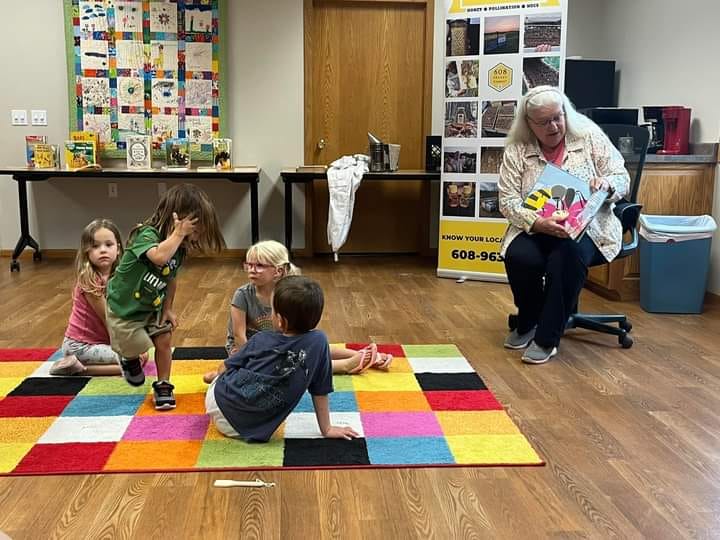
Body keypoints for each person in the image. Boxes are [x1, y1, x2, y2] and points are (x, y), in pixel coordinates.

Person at [498, 85, 630, 364]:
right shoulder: (517, 150)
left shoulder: (589, 136)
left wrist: (606, 184)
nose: (554, 126)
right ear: (529, 124)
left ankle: (547, 338)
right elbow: (507, 200)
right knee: (518, 256)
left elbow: (621, 176)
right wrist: (537, 222)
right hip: (537, 225)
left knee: (567, 255)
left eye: (558, 117)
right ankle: (529, 321)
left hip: (588, 228)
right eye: (544, 122)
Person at [202, 240, 391, 383]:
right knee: (284, 365)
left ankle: (360, 356)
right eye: (248, 265)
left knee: (312, 344)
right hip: (249, 348)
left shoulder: (288, 294)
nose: (252, 270)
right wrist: (246, 359)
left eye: (259, 265)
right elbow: (238, 336)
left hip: (280, 341)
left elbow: (297, 330)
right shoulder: (242, 294)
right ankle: (345, 366)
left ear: (279, 271)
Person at [107, 183, 225, 409]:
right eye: (195, 229)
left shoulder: (178, 249)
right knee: (138, 346)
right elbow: (159, 257)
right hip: (124, 307)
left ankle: (163, 384)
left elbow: (170, 278)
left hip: (152, 305)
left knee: (164, 339)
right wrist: (179, 234)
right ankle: (128, 357)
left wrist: (168, 308)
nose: (197, 236)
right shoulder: (145, 234)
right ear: (177, 220)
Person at [205, 275, 359, 442]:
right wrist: (327, 429)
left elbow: (224, 368)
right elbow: (320, 390)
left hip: (219, 404)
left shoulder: (260, 339)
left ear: (280, 321)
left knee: (228, 369)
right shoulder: (319, 342)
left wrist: (220, 373)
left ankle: (214, 379)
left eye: (272, 310)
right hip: (243, 427)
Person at [51, 219, 136, 377]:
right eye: (95, 246)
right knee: (135, 361)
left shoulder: (116, 277)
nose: (103, 250)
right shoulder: (89, 281)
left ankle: (76, 365)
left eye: (108, 245)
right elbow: (108, 318)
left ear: (118, 249)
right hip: (80, 346)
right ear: (86, 252)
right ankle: (77, 369)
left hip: (98, 342)